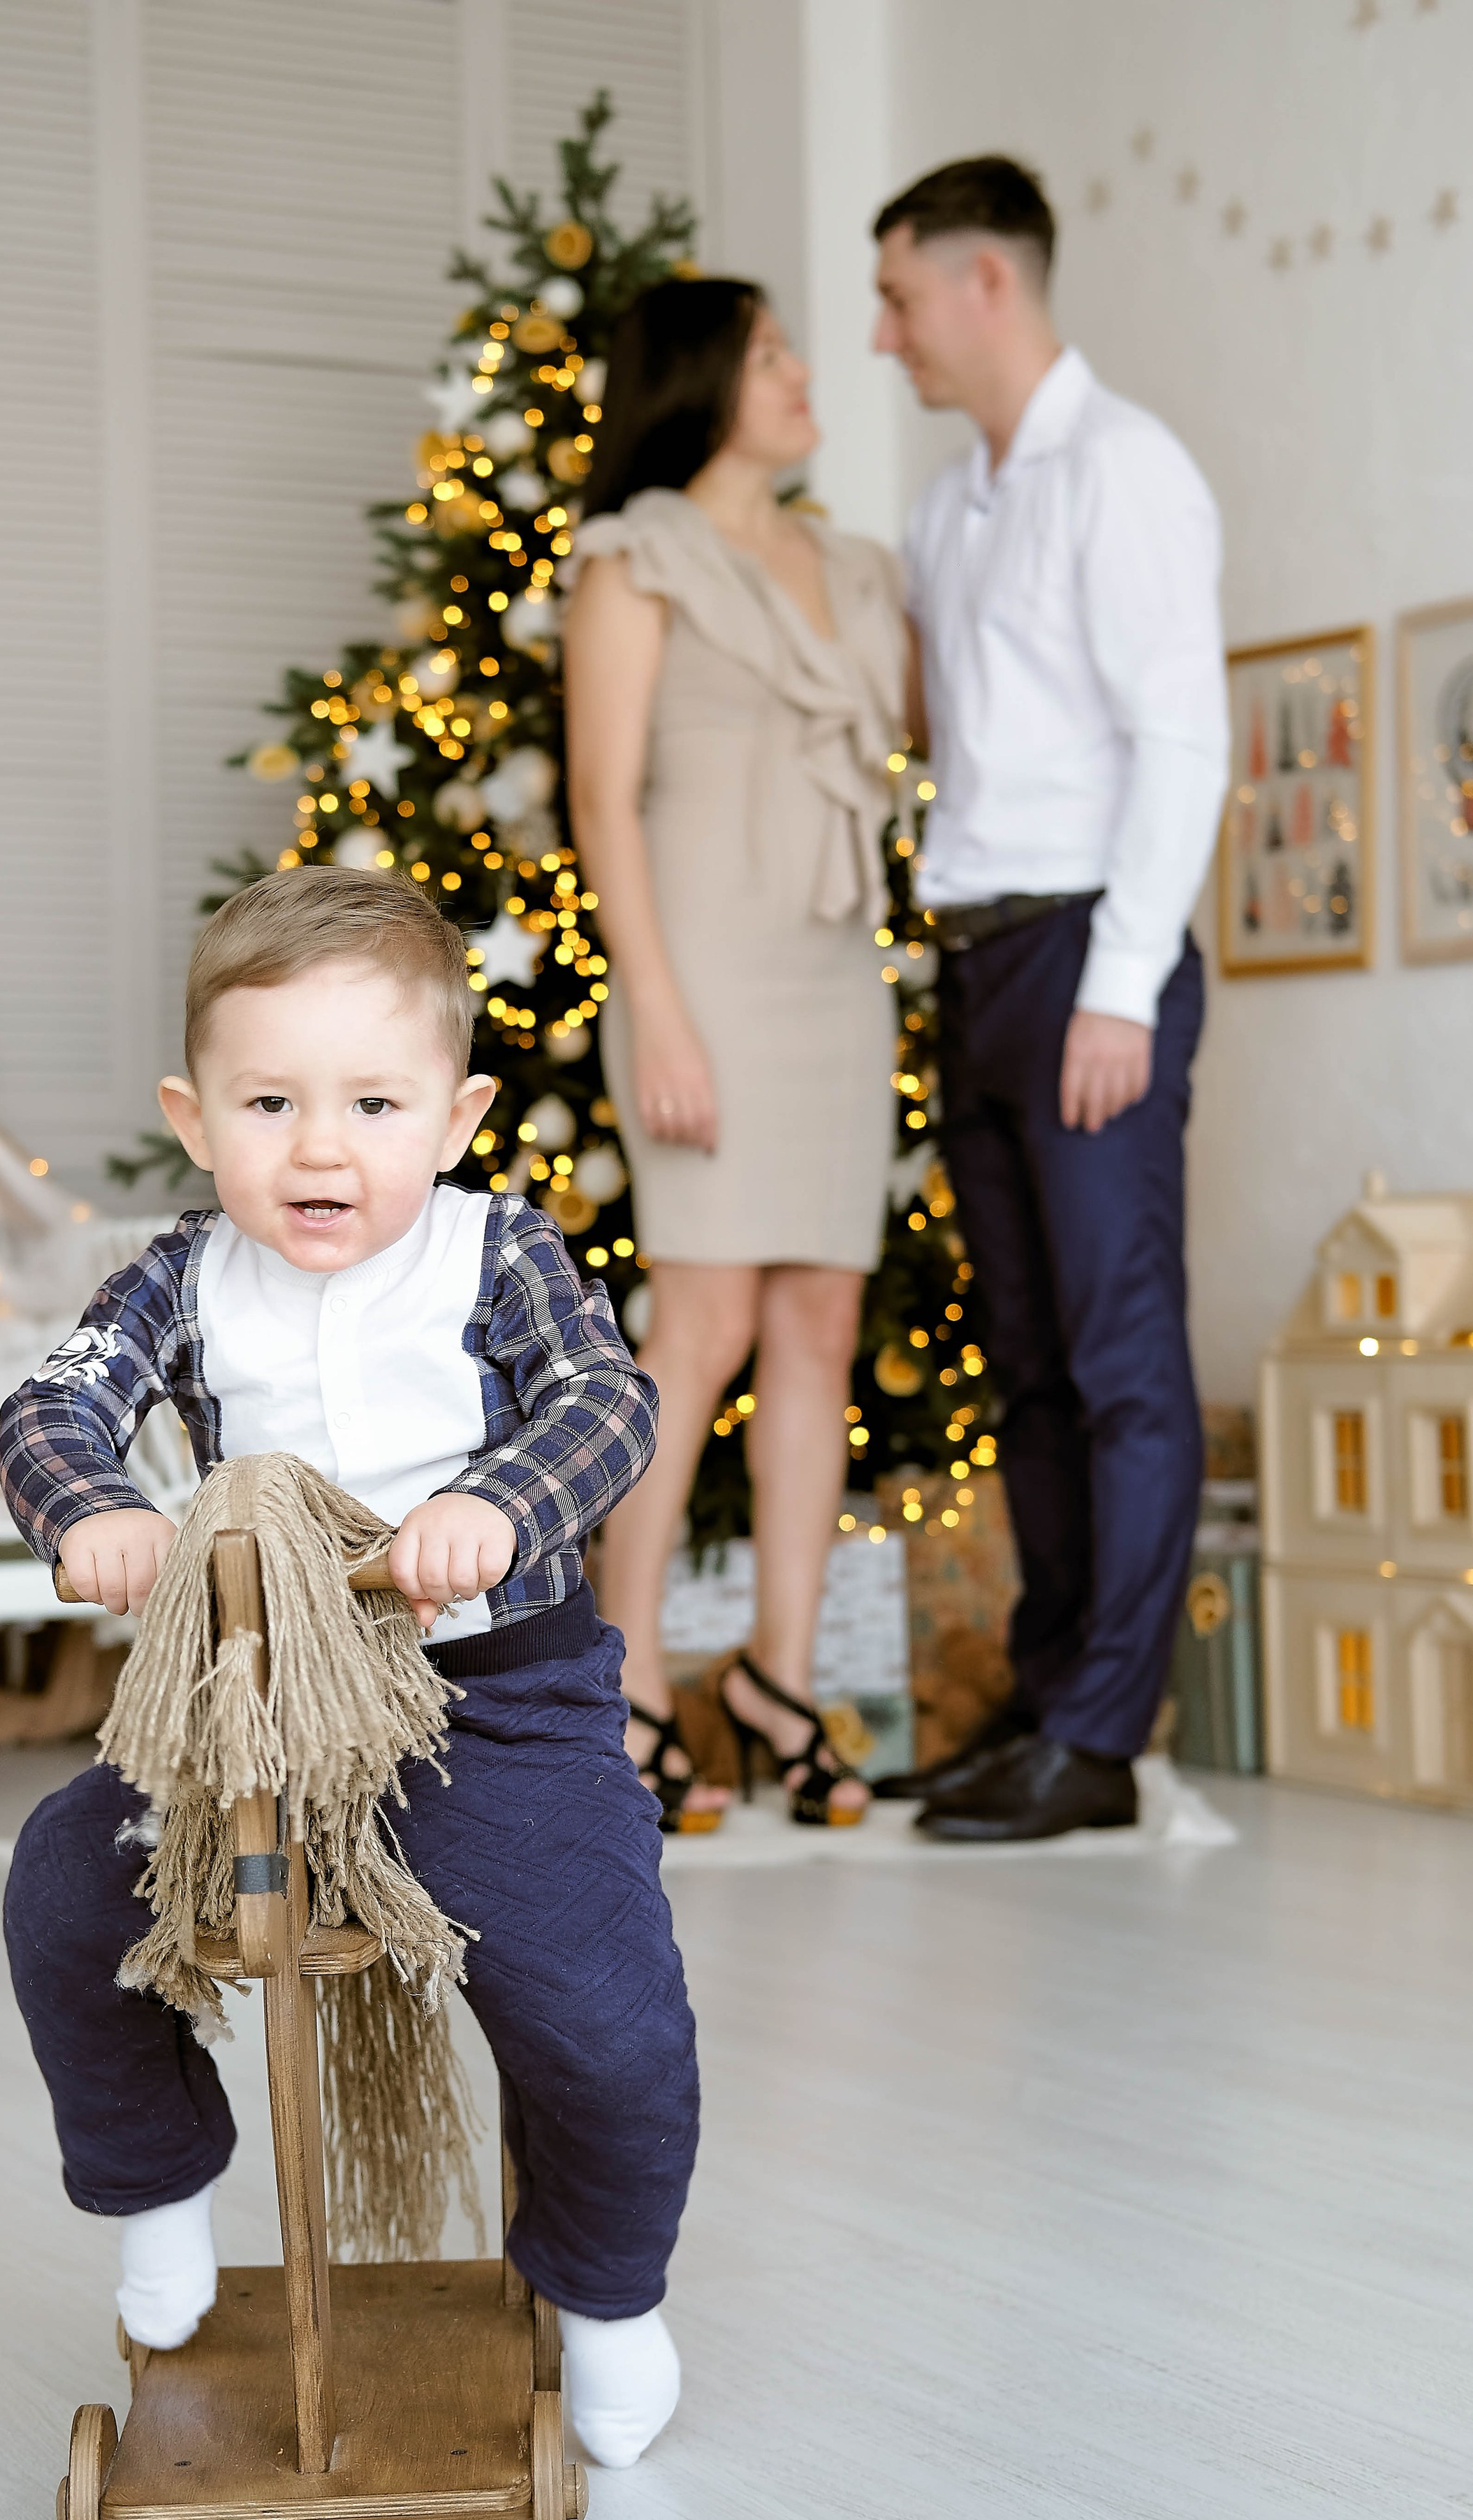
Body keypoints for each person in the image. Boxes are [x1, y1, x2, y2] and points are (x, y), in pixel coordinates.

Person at [0, 870, 698, 2470]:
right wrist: (94, 1510)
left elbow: (605, 1403)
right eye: (270, 1104)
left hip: (490, 1704)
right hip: (246, 1714)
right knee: (62, 1891)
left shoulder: (494, 1255)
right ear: (194, 1120)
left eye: (373, 1105)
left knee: (603, 2011)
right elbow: (54, 1406)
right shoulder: (180, 1278)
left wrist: (495, 1507)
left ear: (454, 1119)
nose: (320, 1148)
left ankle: (605, 2293)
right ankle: (160, 2187)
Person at [871, 157, 1229, 1842]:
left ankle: (1099, 1736)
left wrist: (1122, 986)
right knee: (1022, 1364)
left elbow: (1181, 741)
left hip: (1093, 957)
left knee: (1117, 1356)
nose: (884, 337)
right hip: (975, 960)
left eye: (897, 299)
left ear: (985, 283)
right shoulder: (948, 510)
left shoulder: (1124, 469)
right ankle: (1046, 1698)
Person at [563, 278, 909, 1831]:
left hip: (833, 969)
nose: (800, 373)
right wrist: (659, 1011)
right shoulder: (633, 560)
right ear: (703, 380)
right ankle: (627, 1680)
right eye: (769, 353)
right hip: (700, 971)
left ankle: (779, 1676)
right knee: (698, 1324)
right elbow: (602, 803)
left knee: (820, 1323)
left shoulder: (855, 567)